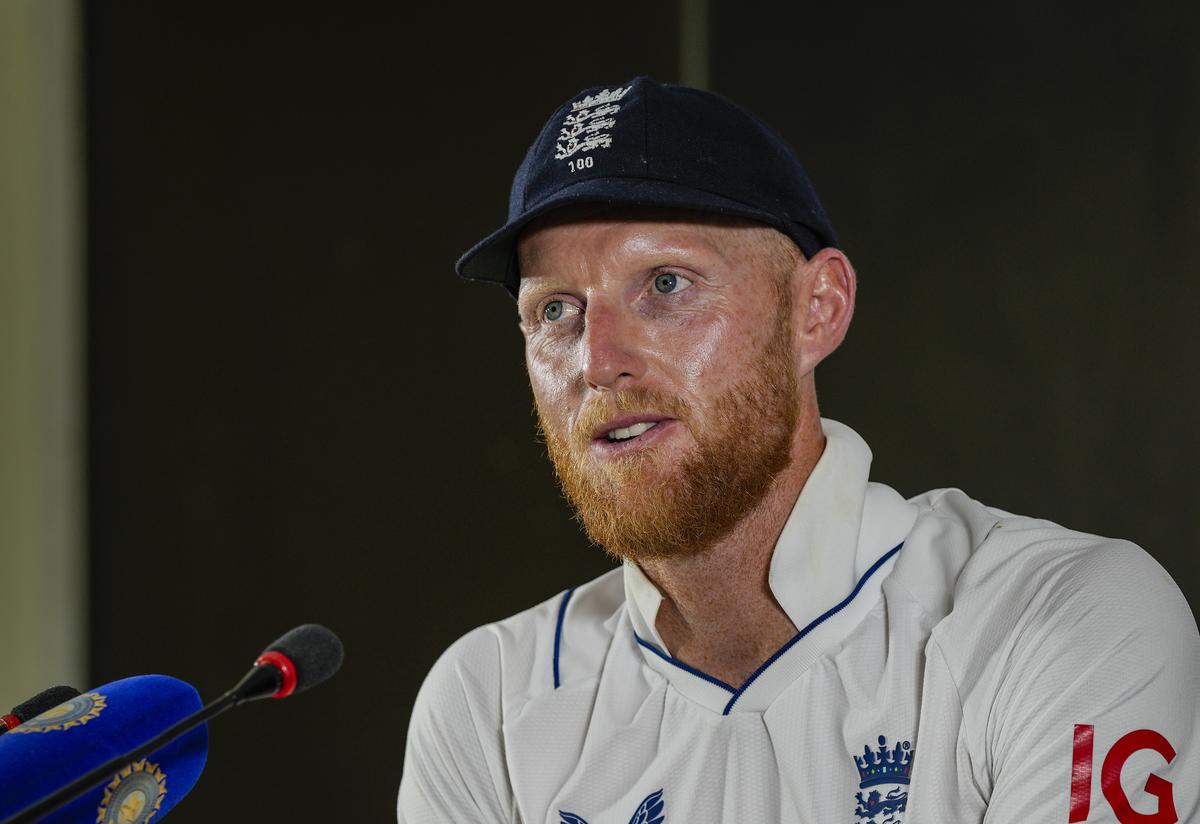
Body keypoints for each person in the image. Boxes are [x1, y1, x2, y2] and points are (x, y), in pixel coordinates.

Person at [397, 77, 1199, 823]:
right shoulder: (490, 702)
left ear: (817, 310)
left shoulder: (1058, 618)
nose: (597, 358)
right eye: (556, 311)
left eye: (667, 285)